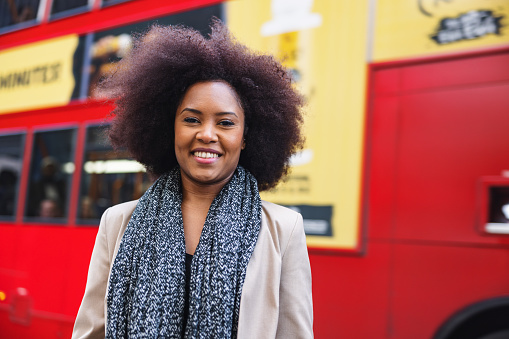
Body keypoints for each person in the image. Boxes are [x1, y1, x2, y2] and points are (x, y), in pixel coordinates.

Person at [72, 19, 313, 339]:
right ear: (168, 127)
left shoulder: (283, 230)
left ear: (245, 137)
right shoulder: (117, 223)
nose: (207, 134)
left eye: (225, 123)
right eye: (191, 119)